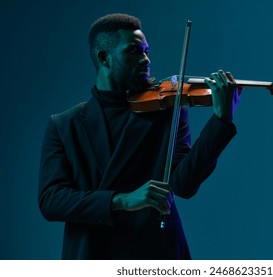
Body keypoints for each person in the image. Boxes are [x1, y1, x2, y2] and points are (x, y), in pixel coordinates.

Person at [38, 13, 241, 260]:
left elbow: (184, 184)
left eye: (146, 51)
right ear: (105, 58)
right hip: (93, 253)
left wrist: (221, 120)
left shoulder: (167, 110)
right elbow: (51, 200)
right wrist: (122, 200)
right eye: (134, 51)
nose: (146, 59)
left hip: (156, 251)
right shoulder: (64, 125)